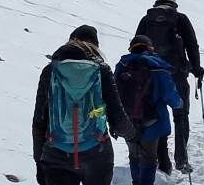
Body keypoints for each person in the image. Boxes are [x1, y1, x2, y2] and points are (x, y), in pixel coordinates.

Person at [32, 25, 136, 185]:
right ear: (95, 46)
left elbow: (39, 120)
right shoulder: (101, 71)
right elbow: (117, 115)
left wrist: (39, 160)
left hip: (57, 153)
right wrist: (132, 135)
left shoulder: (51, 71)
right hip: (97, 153)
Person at [134, 0, 202, 175]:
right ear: (174, 5)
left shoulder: (146, 20)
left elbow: (136, 45)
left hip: (152, 76)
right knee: (180, 115)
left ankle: (162, 161)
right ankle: (181, 160)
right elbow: (192, 45)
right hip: (177, 73)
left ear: (157, 3)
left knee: (158, 115)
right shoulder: (180, 19)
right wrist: (196, 68)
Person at [115, 35, 184, 185]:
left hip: (128, 121)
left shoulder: (122, 66)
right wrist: (179, 104)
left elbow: (114, 93)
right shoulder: (157, 67)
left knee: (134, 155)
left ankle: (136, 182)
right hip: (152, 121)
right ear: (150, 48)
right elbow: (170, 95)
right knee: (149, 158)